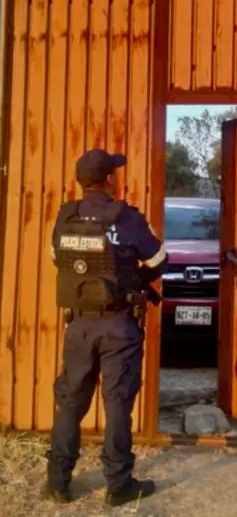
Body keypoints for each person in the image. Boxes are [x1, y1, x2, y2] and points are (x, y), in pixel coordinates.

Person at [43, 149, 167, 507]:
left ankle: (58, 481)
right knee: (117, 403)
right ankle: (119, 485)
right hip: (118, 327)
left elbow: (59, 260)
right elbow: (159, 259)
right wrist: (133, 279)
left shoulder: (66, 216)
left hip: (80, 324)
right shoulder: (125, 217)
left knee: (70, 402)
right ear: (109, 180)